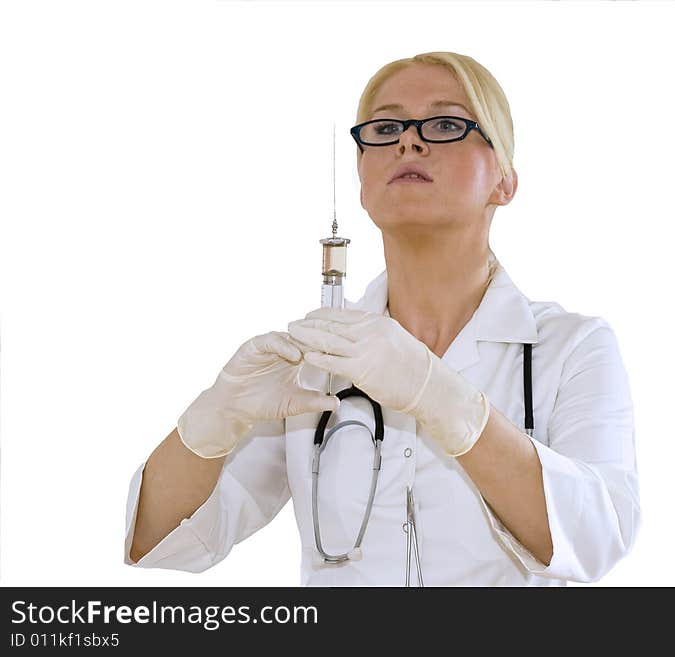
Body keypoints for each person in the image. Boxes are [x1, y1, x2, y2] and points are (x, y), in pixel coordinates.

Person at [124, 51, 640, 586]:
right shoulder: (315, 361)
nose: (408, 142)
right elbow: (161, 541)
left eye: (444, 124)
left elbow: (596, 538)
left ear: (504, 182)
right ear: (363, 178)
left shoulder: (571, 348)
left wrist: (440, 398)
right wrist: (211, 423)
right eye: (386, 126)